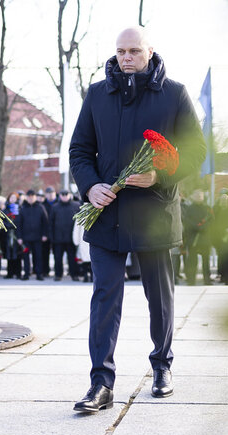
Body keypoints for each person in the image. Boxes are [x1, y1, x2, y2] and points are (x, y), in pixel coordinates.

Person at [69, 26, 206, 412]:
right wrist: (91, 186)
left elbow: (196, 149)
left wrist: (160, 175)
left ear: (150, 52)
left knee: (159, 297)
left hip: (155, 214)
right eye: (120, 51)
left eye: (133, 51)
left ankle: (162, 366)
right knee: (104, 298)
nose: (125, 57)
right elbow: (80, 150)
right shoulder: (97, 94)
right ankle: (101, 383)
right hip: (105, 213)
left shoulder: (174, 93)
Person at [16, 189, 49, 281]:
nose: (31, 199)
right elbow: (19, 224)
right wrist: (19, 237)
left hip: (38, 237)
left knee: (38, 256)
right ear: (27, 197)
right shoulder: (22, 208)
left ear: (35, 197)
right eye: (29, 197)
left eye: (32, 197)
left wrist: (44, 234)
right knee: (26, 256)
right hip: (26, 238)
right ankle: (26, 273)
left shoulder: (40, 207)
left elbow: (45, 222)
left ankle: (39, 274)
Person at [182, 189, 213, 286]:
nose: (199, 197)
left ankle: (207, 280)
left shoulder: (207, 208)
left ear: (203, 197)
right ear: (193, 197)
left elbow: (212, 220)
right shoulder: (189, 208)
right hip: (193, 238)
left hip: (205, 238)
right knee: (192, 260)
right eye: (197, 195)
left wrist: (204, 227)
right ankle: (191, 280)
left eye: (200, 195)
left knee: (206, 261)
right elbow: (186, 221)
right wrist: (196, 227)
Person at [50, 189, 81, 281]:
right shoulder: (55, 207)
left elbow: (79, 224)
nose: (64, 196)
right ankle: (58, 274)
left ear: (69, 195)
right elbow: (51, 223)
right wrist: (52, 237)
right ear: (59, 196)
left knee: (72, 258)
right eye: (62, 194)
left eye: (66, 194)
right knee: (58, 258)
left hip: (71, 238)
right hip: (58, 238)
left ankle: (74, 274)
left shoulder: (76, 205)